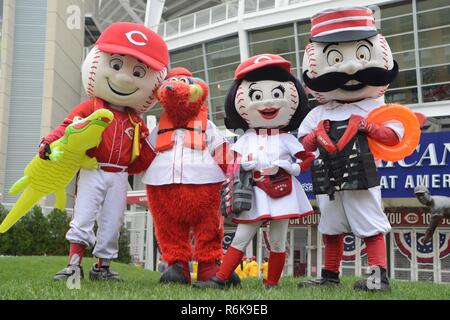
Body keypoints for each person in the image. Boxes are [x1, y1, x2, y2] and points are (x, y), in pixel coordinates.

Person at [48, 22, 168, 281]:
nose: (124, 78)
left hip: (120, 175)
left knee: (113, 221)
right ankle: (73, 264)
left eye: (138, 73)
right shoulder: (91, 107)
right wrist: (48, 143)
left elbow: (144, 155)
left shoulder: (136, 122)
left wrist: (161, 140)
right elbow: (67, 127)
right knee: (83, 215)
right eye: (115, 66)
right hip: (93, 168)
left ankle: (102, 266)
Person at [297, 7, 404, 291]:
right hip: (327, 176)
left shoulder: (376, 107)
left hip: (362, 174)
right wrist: (316, 137)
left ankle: (377, 276)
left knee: (369, 222)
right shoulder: (320, 112)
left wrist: (369, 128)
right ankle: (330, 276)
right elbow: (302, 144)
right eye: (334, 58)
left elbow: (394, 136)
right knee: (330, 224)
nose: (350, 68)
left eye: (360, 55)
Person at [194, 54, 314, 289]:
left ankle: (272, 283)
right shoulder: (245, 139)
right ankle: (220, 278)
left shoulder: (287, 138)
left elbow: (306, 157)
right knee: (241, 236)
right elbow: (231, 161)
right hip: (255, 192)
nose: (267, 103)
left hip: (283, 190)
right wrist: (242, 165)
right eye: (257, 96)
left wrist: (291, 167)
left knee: (278, 241)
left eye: (277, 94)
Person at [142, 67, 238, 285]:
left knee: (209, 226)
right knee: (169, 229)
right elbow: (145, 153)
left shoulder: (207, 126)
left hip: (204, 185)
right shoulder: (159, 128)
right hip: (162, 185)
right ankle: (177, 266)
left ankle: (209, 265)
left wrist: (234, 172)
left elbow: (222, 151)